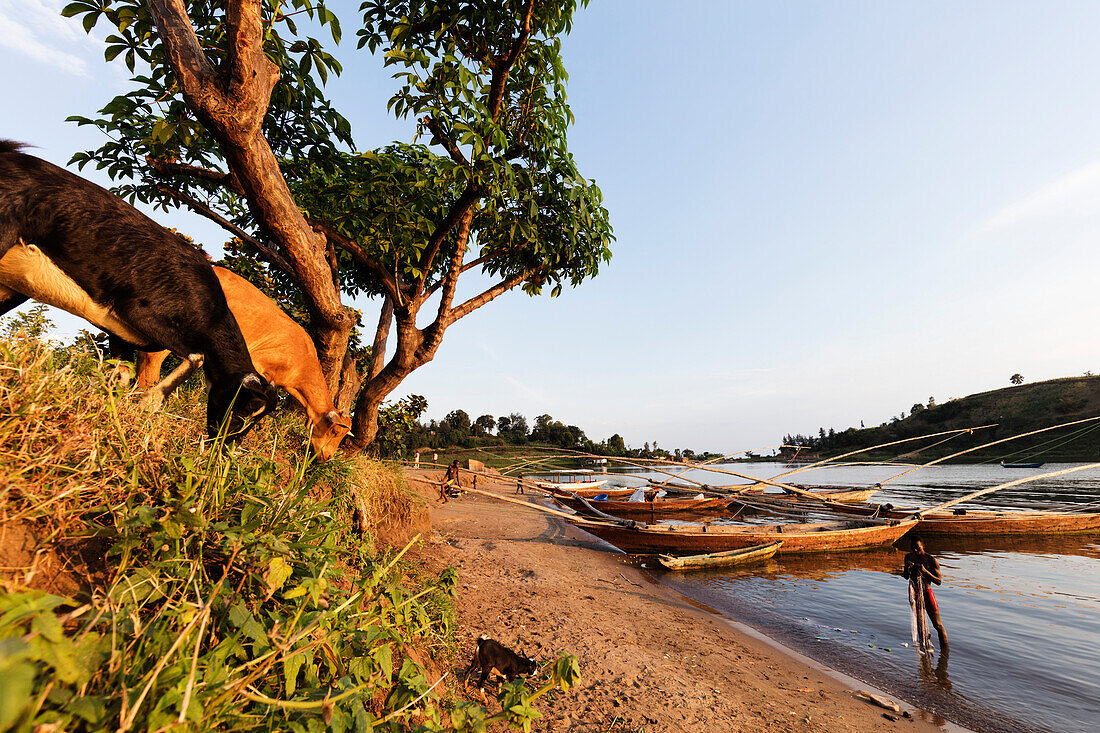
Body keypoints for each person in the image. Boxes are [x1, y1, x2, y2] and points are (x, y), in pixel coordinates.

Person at [902, 536, 948, 650]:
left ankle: (945, 651)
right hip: (915, 594)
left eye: (918, 548)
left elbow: (939, 581)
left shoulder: (931, 560)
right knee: (920, 624)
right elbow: (906, 576)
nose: (915, 551)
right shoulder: (908, 557)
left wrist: (925, 571)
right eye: (913, 548)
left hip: (927, 593)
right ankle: (924, 647)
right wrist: (907, 569)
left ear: (923, 546)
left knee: (937, 625)